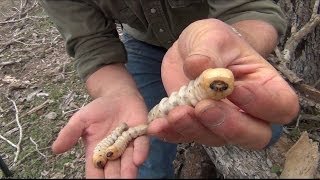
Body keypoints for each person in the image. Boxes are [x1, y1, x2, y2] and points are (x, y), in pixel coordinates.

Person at [39, 0, 300, 178]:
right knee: (143, 162)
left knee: (266, 126)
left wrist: (234, 43)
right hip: (145, 45)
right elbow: (90, 42)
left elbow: (249, 7)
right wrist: (115, 92)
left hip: (215, 43)